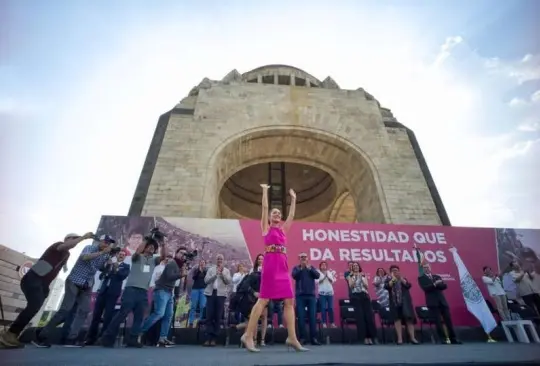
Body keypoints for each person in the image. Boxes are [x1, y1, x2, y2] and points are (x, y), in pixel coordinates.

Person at [241, 185, 306, 353]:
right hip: (270, 266)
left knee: (289, 301)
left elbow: (291, 215)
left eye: (278, 213)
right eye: (274, 213)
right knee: (263, 300)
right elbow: (264, 208)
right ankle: (248, 335)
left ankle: (292, 337)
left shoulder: (284, 230)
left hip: (283, 266)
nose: (277, 214)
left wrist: (293, 199)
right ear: (269, 217)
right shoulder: (266, 227)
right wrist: (264, 191)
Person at [0, 232, 94, 349]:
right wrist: (83, 237)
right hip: (33, 278)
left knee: (34, 307)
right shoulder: (58, 245)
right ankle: (10, 334)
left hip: (43, 284)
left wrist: (46, 287)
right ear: (67, 239)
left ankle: (12, 334)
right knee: (34, 306)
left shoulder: (67, 254)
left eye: (77, 238)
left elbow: (57, 269)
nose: (76, 241)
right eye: (74, 238)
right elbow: (65, 246)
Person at [33, 234, 115, 348]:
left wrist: (109, 264)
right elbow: (85, 258)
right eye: (105, 241)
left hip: (87, 284)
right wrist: (102, 253)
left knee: (85, 310)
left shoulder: (105, 255)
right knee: (65, 310)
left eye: (109, 242)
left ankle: (72, 338)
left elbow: (101, 269)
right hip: (74, 281)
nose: (107, 244)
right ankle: (42, 334)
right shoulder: (90, 248)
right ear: (100, 241)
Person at [99, 235, 166, 348]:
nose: (151, 248)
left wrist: (162, 243)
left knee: (139, 317)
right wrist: (146, 240)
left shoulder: (154, 261)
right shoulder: (136, 257)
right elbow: (138, 250)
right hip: (131, 290)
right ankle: (107, 337)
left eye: (153, 247)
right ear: (144, 247)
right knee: (122, 314)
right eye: (149, 246)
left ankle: (132, 339)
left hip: (143, 292)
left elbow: (163, 256)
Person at [139, 247, 187, 347]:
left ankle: (163, 338)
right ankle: (139, 332)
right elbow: (170, 277)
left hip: (170, 292)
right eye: (181, 253)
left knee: (168, 316)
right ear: (176, 253)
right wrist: (181, 275)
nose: (183, 255)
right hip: (162, 290)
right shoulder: (172, 263)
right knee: (159, 313)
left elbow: (177, 282)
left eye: (184, 254)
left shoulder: (179, 265)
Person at [85, 249, 131, 345]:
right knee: (96, 315)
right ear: (117, 255)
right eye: (120, 254)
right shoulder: (109, 264)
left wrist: (116, 268)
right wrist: (107, 266)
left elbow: (122, 276)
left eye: (123, 255)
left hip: (113, 293)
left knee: (108, 316)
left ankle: (103, 338)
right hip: (103, 292)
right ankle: (90, 338)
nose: (121, 256)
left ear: (125, 257)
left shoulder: (126, 266)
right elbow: (101, 276)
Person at [418, 263, 461, 344]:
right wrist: (435, 284)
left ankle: (453, 338)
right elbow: (426, 288)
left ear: (430, 268)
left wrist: (436, 284)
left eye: (427, 267)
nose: (426, 269)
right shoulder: (421, 278)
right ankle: (443, 339)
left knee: (448, 320)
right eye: (424, 268)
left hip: (442, 301)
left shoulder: (436, 276)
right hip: (432, 302)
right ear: (423, 269)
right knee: (438, 321)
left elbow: (444, 286)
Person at [384, 265, 419, 345]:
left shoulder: (403, 279)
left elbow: (408, 285)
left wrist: (401, 279)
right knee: (397, 320)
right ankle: (400, 339)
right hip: (394, 303)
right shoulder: (388, 279)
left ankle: (413, 338)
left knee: (409, 320)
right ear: (390, 272)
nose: (395, 272)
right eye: (393, 270)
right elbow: (387, 286)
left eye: (396, 270)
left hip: (405, 303)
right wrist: (393, 279)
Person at [292, 253, 321, 345]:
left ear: (308, 259)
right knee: (301, 317)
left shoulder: (311, 267)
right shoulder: (296, 268)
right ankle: (302, 338)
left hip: (311, 296)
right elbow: (294, 276)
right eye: (301, 257)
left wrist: (308, 268)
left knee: (312, 317)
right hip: (300, 296)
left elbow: (317, 276)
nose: (303, 259)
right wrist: (301, 268)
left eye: (305, 257)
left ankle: (314, 338)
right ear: (299, 259)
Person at [203, 254, 231, 346]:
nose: (219, 260)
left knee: (218, 317)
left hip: (221, 295)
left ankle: (214, 338)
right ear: (216, 260)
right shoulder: (211, 269)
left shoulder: (226, 271)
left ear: (223, 261)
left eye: (221, 259)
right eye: (218, 259)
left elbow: (228, 281)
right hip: (210, 294)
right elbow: (206, 281)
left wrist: (222, 274)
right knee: (209, 316)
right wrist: (215, 275)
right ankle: (208, 338)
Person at [347, 262, 376, 345]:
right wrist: (355, 278)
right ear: (352, 268)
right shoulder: (350, 276)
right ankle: (364, 338)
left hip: (365, 296)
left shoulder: (363, 275)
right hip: (356, 296)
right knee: (360, 317)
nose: (356, 267)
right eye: (354, 266)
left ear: (359, 267)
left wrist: (361, 278)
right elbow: (351, 286)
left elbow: (367, 286)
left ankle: (370, 337)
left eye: (357, 266)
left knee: (368, 317)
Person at [188, 259, 207, 327]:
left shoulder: (206, 271)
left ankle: (200, 322)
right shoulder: (196, 270)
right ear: (199, 264)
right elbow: (194, 277)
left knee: (202, 306)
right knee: (193, 306)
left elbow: (207, 279)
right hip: (195, 289)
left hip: (203, 289)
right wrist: (199, 271)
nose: (202, 264)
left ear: (205, 264)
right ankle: (191, 322)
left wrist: (203, 271)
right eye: (201, 262)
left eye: (203, 262)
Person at [317, 261, 336, 328]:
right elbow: (318, 281)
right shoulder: (318, 272)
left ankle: (332, 323)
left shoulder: (329, 272)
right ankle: (324, 323)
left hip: (330, 293)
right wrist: (324, 276)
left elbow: (332, 281)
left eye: (325, 265)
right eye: (322, 265)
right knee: (323, 308)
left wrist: (328, 276)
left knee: (330, 308)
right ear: (320, 266)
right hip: (322, 293)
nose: (324, 266)